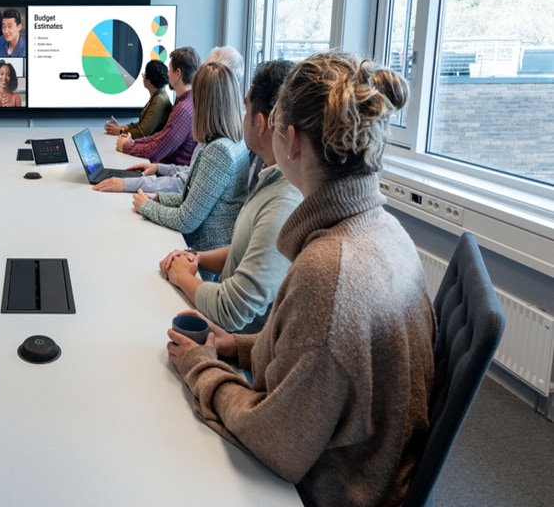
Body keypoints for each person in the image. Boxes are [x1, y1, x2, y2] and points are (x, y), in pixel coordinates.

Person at [165, 53, 435, 506]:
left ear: (290, 140)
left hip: (323, 489)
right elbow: (317, 351)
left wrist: (200, 366)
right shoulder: (387, 231)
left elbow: (275, 442)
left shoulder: (328, 274)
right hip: (364, 465)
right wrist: (235, 346)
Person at [158, 60, 301, 333]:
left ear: (260, 123)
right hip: (230, 334)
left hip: (229, 337)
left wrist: (182, 277)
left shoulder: (283, 202)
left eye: (246, 108)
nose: (241, 115)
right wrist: (196, 257)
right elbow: (244, 251)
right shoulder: (270, 178)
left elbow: (232, 310)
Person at [133, 62, 249, 252]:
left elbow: (186, 220)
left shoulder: (218, 151)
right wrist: (157, 198)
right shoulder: (233, 142)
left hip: (201, 252)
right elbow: (193, 200)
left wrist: (146, 207)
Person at [98, 46, 244, 192]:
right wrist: (156, 167)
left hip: (168, 183)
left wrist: (128, 149)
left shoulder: (189, 113)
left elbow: (179, 180)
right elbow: (187, 171)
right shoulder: (217, 133)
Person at [117, 46, 200, 165]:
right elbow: (161, 137)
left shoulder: (183, 110)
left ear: (177, 73)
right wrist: (133, 142)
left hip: (168, 171)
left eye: (169, 70)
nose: (167, 74)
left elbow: (157, 150)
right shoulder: (188, 102)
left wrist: (126, 146)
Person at [105, 59, 172, 138]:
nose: (143, 77)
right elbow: (142, 124)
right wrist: (123, 127)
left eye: (145, 75)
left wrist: (120, 131)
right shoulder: (159, 96)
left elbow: (142, 132)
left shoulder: (159, 100)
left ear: (149, 80)